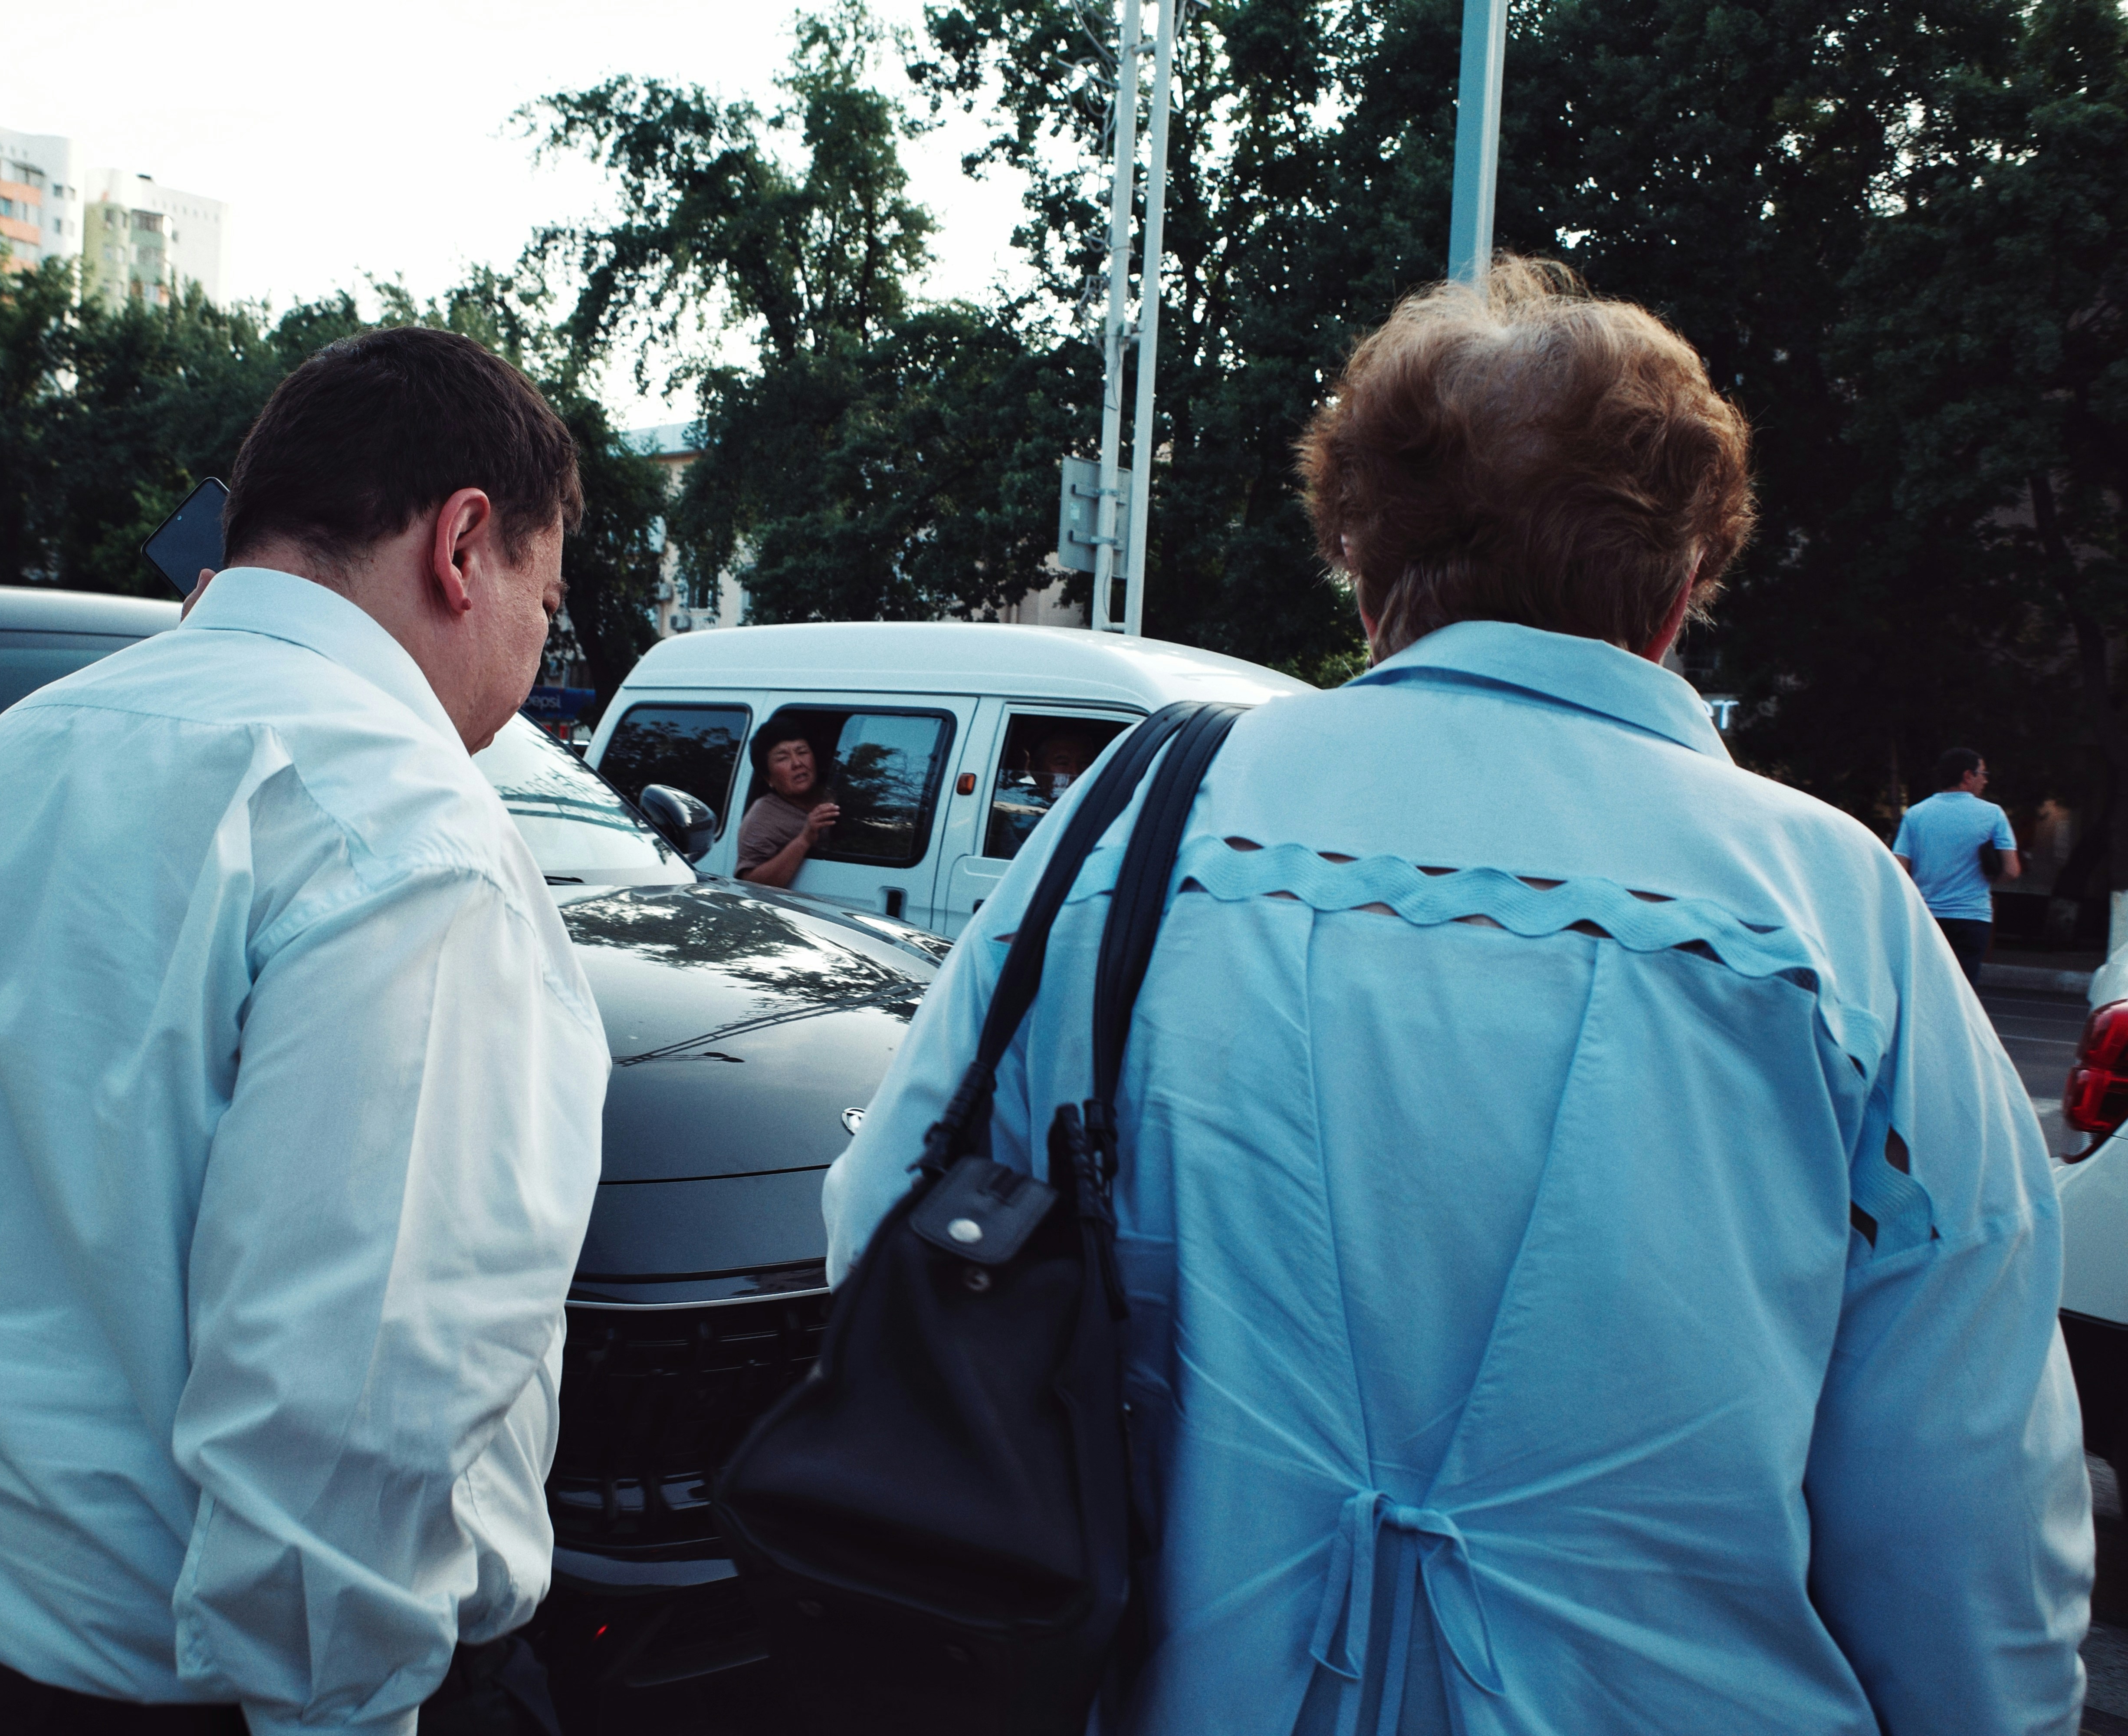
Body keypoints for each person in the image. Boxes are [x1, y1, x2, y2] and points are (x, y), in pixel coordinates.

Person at [823, 260, 2091, 1735]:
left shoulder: (1140, 826)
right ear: (1681, 598)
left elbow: (887, 1231)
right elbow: (1968, 1512)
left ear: (1363, 568)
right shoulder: (1832, 913)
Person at [0, 328, 608, 1734]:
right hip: (204, 1694)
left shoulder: (18, 754)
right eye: (547, 602)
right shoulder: (410, 835)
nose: (536, 653)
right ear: (463, 546)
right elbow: (356, 1396)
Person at [1892, 747, 2020, 985]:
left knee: (1925, 987)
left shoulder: (1916, 814)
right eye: (1983, 773)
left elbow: (1899, 868)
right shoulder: (1993, 815)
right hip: (1972, 917)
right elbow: (2012, 870)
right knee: (1962, 991)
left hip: (1927, 917)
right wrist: (1985, 879)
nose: (1985, 780)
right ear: (1967, 776)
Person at [736, 717, 841, 885]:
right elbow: (750, 884)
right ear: (768, 778)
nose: (797, 763)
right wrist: (805, 838)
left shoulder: (840, 791)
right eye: (783, 758)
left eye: (802, 752)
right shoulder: (762, 817)